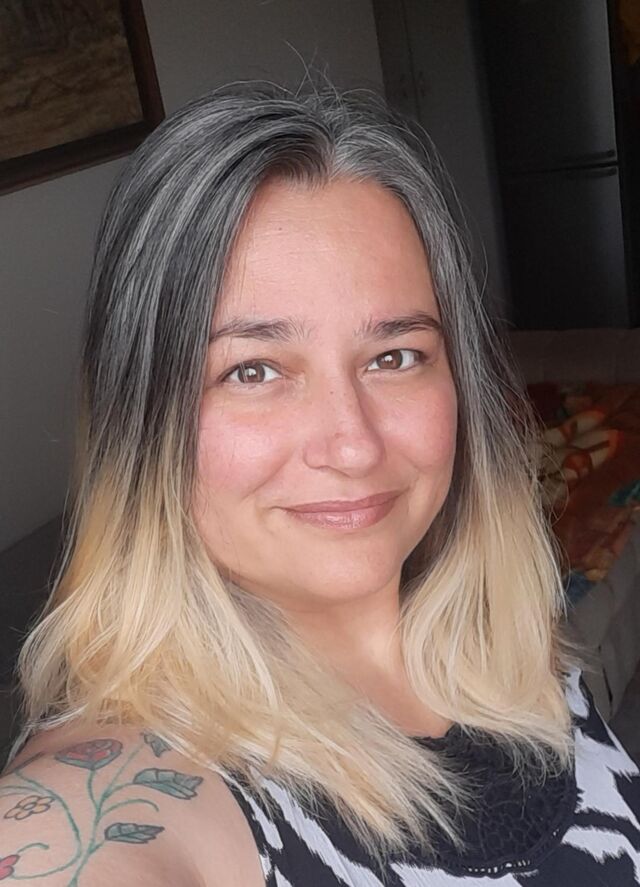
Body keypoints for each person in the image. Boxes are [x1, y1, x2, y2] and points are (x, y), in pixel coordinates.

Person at [1, 79, 639, 887]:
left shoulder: (507, 653)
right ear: (141, 428)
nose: (353, 443)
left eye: (395, 356)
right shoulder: (122, 796)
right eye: (254, 370)